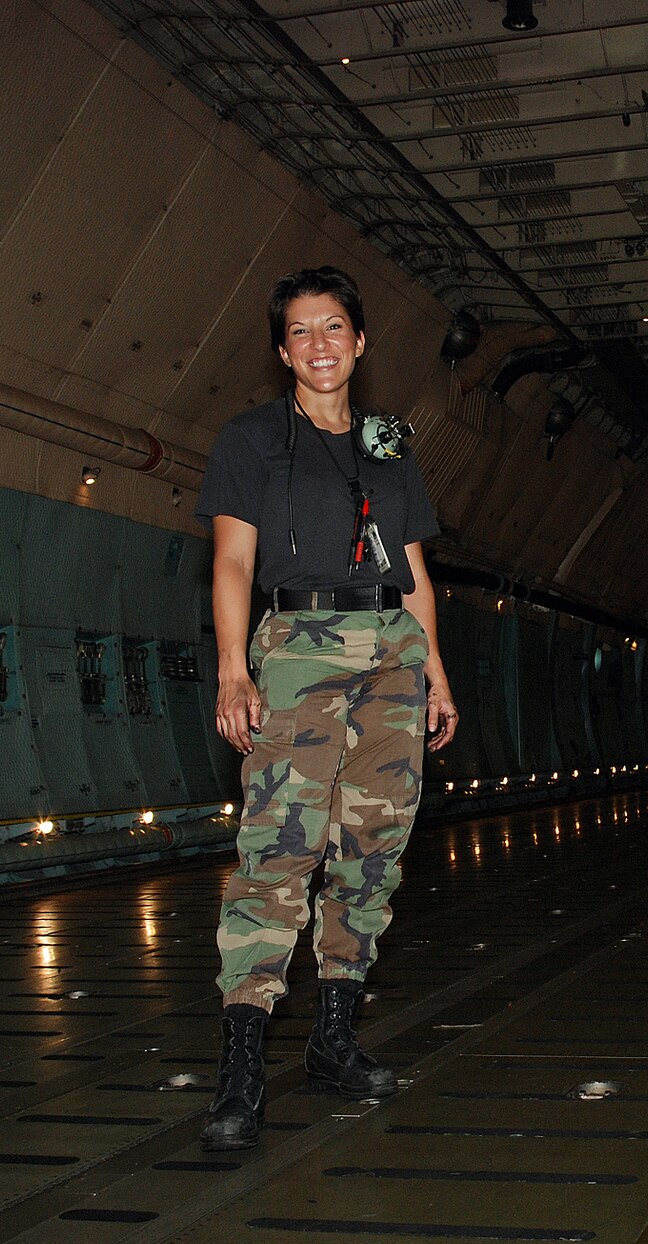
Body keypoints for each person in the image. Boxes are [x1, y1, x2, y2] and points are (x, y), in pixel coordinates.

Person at [192, 265, 459, 1152]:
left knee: (371, 851)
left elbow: (414, 569)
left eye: (334, 327)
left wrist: (437, 675)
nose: (319, 345)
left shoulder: (389, 444)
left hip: (392, 655)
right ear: (282, 350)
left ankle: (335, 1040)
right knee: (278, 850)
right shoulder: (251, 440)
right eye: (301, 331)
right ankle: (241, 1072)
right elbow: (232, 563)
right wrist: (235, 669)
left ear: (360, 341)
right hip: (298, 655)